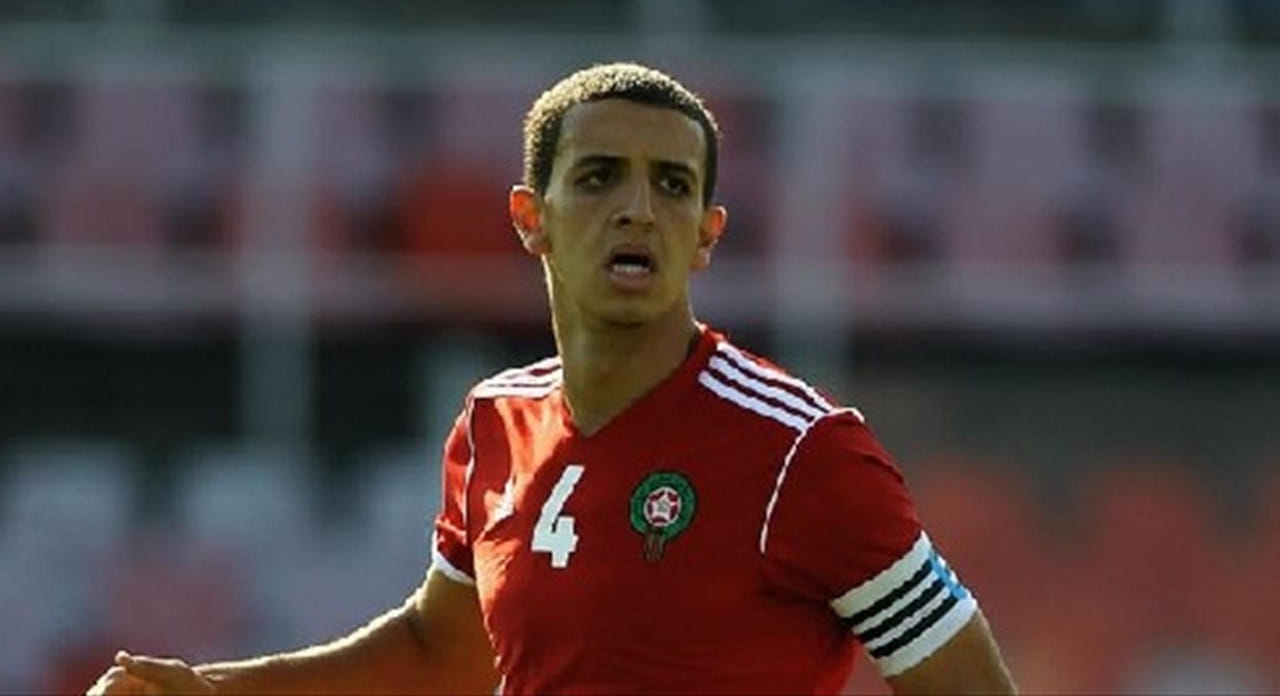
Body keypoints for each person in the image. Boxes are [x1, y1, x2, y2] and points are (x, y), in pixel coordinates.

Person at [88, 62, 1016, 695]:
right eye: (600, 177)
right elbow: (443, 654)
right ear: (531, 217)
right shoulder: (496, 422)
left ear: (707, 236)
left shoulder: (802, 452)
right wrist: (216, 691)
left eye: (672, 185)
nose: (637, 210)